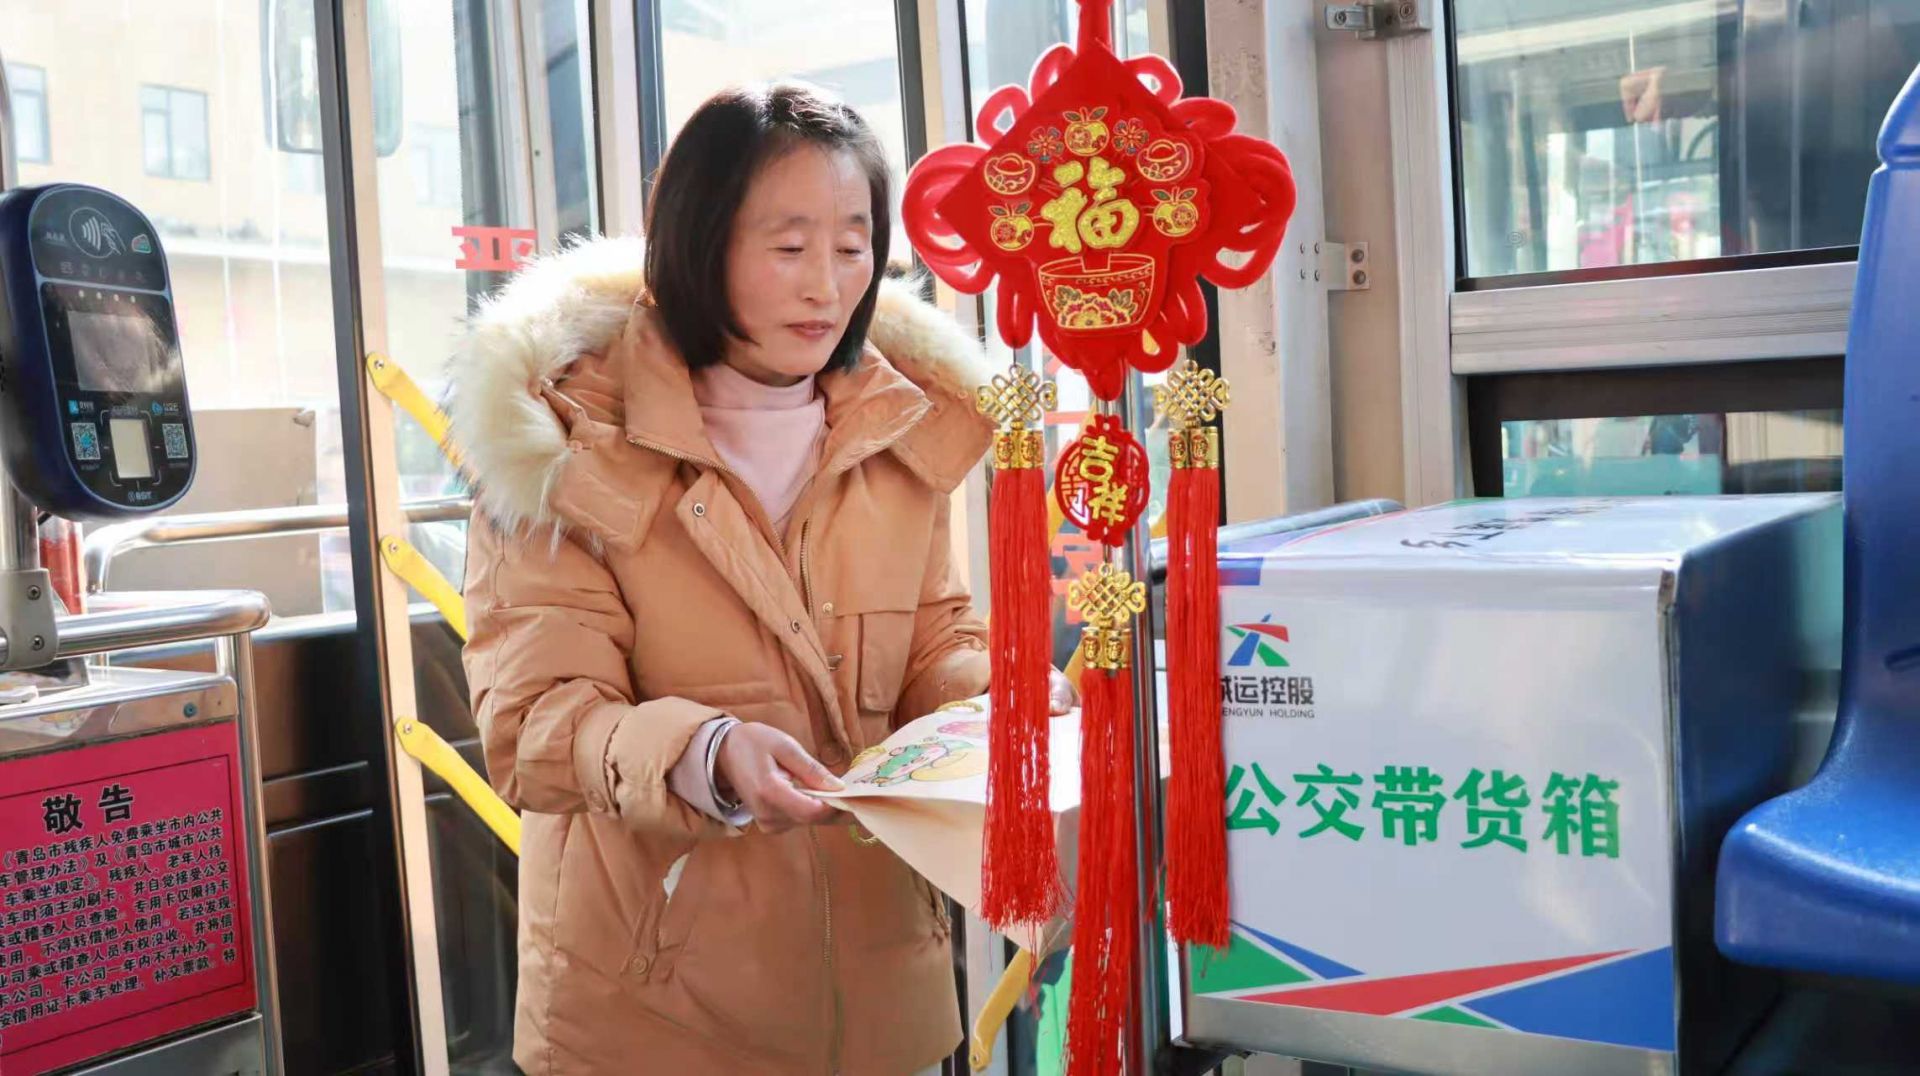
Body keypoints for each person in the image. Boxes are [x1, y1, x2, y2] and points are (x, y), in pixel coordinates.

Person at [447, 82, 1074, 1074]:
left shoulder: (903, 425)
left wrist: (996, 698)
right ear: (700, 244)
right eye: (788, 248)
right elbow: (537, 725)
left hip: (881, 993)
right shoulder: (564, 442)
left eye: (853, 247)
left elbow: (933, 640)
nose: (826, 286)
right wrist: (705, 751)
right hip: (655, 1012)